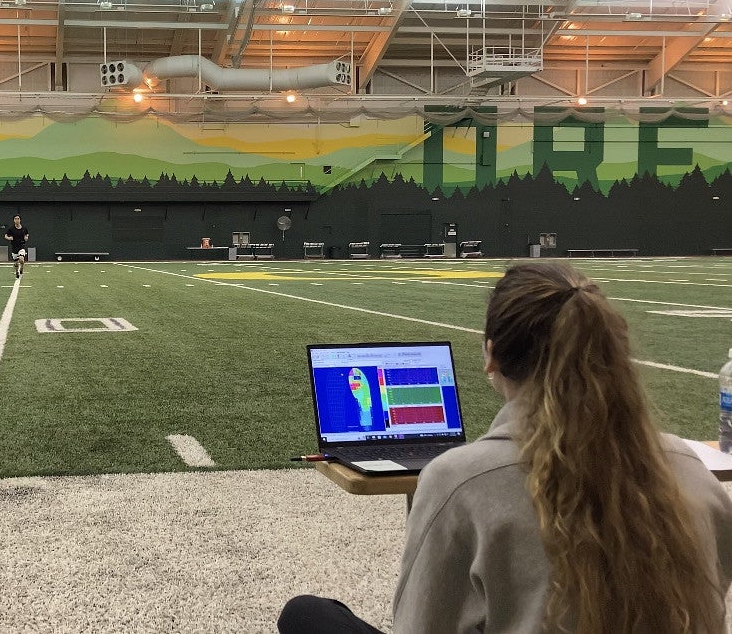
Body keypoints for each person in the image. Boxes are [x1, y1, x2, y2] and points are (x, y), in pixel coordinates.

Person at [278, 261, 732, 634]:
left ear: (492, 355)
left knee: (306, 615)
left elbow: (421, 625)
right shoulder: (685, 465)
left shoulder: (463, 479)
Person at [5, 214, 29, 279]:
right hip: (14, 246)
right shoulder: (11, 229)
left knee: (21, 259)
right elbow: (6, 235)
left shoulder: (24, 228)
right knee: (15, 263)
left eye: (18, 219)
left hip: (21, 245)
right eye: (15, 219)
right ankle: (17, 272)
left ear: (20, 220)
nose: (17, 220)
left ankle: (21, 268)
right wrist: (9, 238)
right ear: (14, 220)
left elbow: (27, 234)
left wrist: (26, 237)